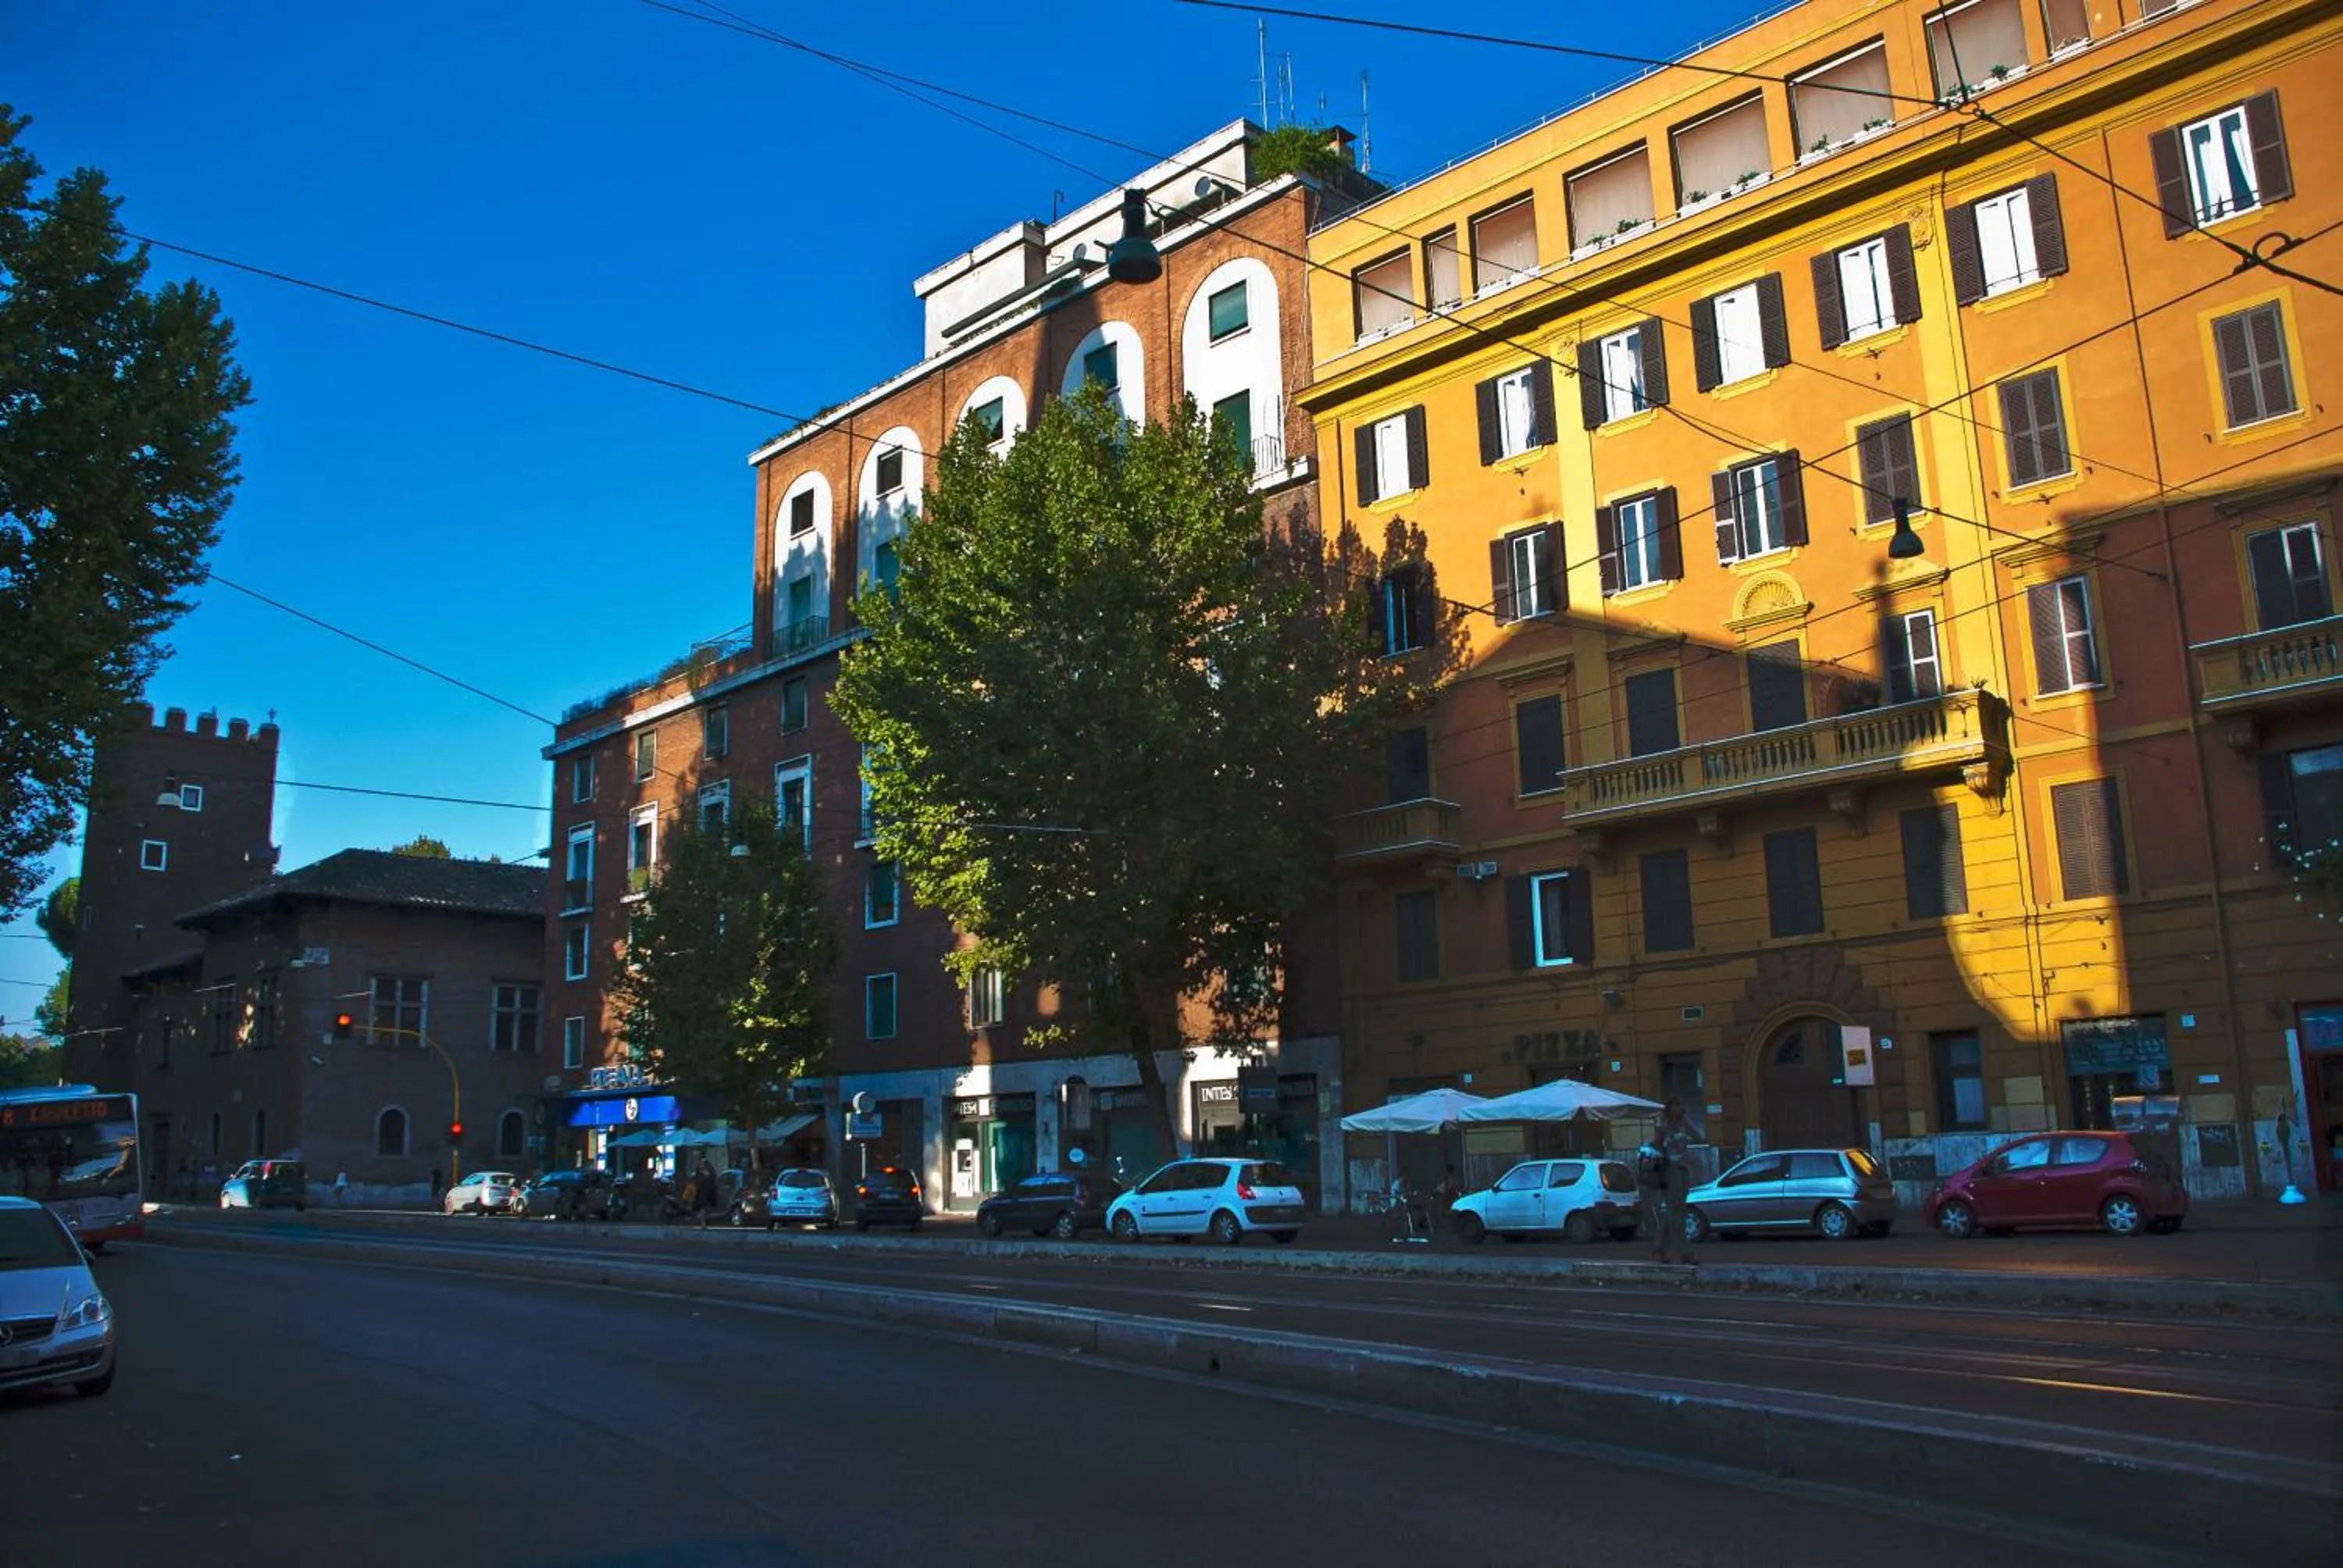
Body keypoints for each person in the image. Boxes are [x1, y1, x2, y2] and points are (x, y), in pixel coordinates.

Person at [1639, 1100, 1696, 1266]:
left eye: (1681, 1106)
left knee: (1676, 1211)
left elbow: (1699, 1137)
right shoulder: (1663, 1127)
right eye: (1676, 1106)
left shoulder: (1684, 1124)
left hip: (1684, 1171)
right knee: (1677, 1214)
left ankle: (1659, 1250)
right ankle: (1686, 1253)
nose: (1680, 1108)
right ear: (1669, 1109)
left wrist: (1686, 1122)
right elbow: (1656, 1148)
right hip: (1670, 1172)